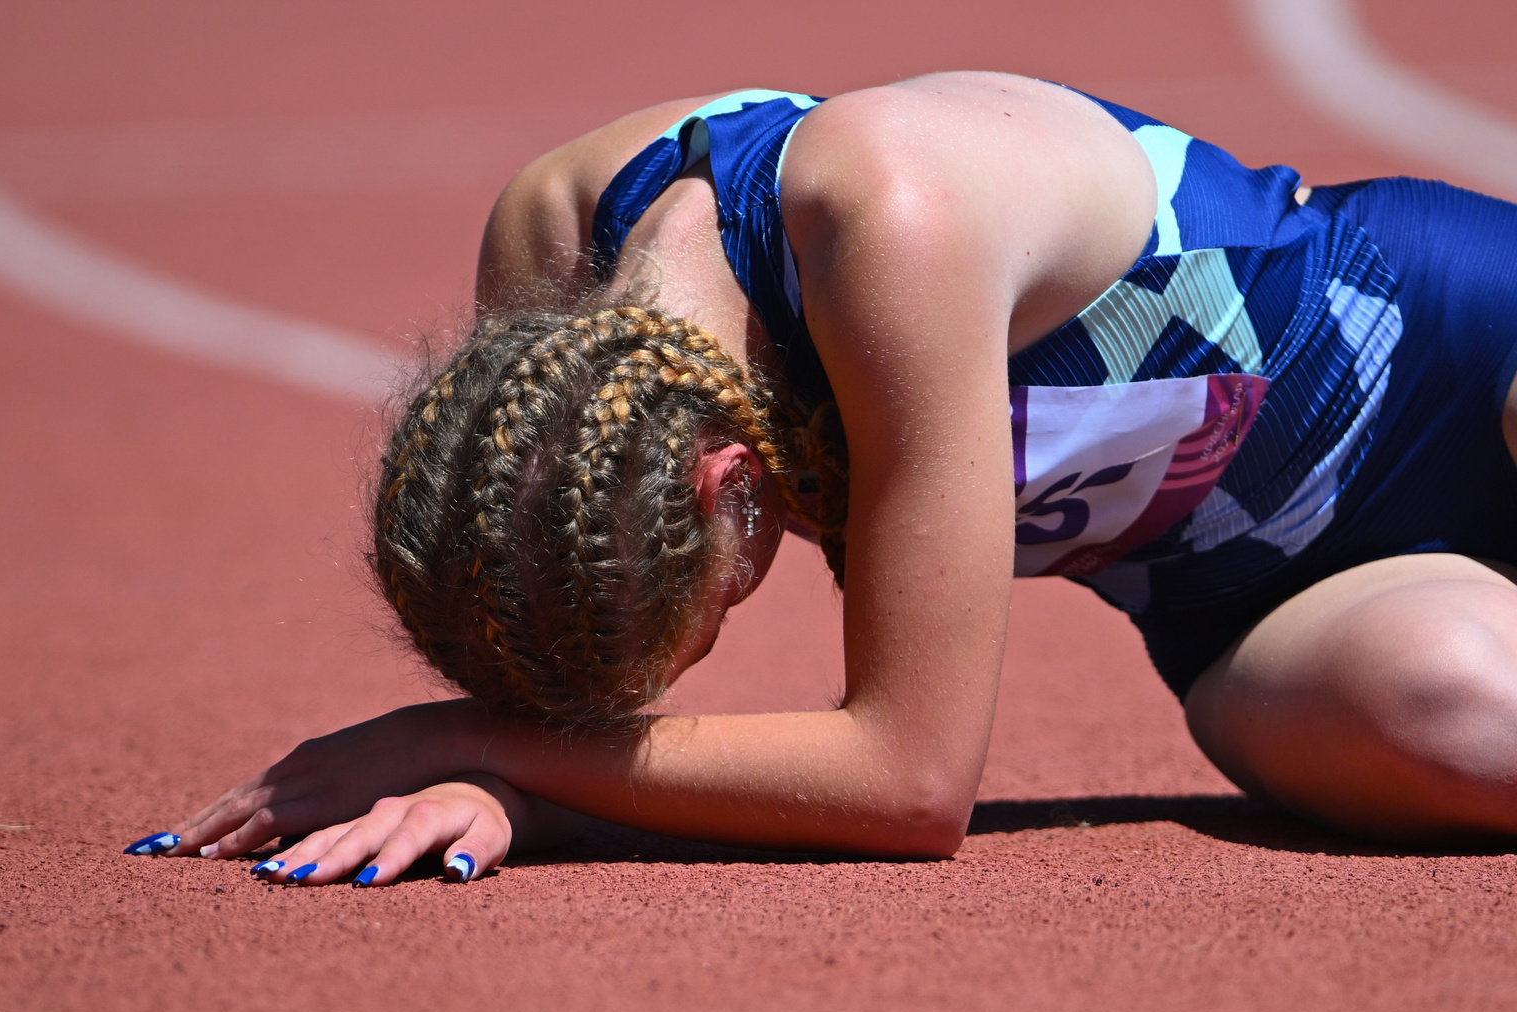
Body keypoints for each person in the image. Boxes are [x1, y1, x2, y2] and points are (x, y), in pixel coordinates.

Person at [119, 73, 1517, 884]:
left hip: (1452, 350)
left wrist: (458, 741)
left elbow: (912, 779)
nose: (677, 681)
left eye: (704, 621)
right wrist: (517, 786)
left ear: (735, 481)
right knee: (1462, 724)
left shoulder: (889, 224)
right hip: (1252, 603)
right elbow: (562, 688)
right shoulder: (551, 267)